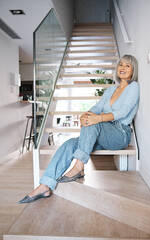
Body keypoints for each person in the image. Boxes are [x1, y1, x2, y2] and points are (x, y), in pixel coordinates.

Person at [19, 54, 140, 204]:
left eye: (127, 65)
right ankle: (45, 185)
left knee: (93, 121)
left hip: (120, 133)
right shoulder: (111, 90)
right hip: (103, 131)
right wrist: (85, 114)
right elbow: (97, 107)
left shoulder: (133, 87)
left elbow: (123, 112)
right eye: (121, 64)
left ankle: (79, 166)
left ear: (133, 70)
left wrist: (97, 118)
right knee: (70, 143)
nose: (123, 68)